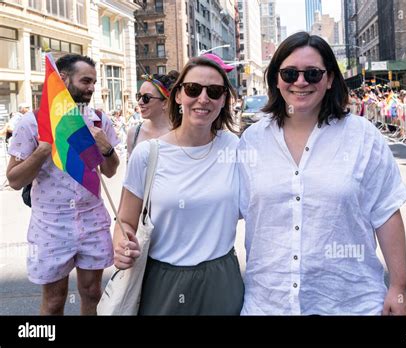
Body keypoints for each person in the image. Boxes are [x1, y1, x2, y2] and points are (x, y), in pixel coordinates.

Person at [238, 32, 406, 315]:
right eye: (290, 73)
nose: (301, 82)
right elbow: (221, 206)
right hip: (268, 304)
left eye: (313, 74)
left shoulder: (362, 136)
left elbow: (386, 211)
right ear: (277, 79)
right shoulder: (252, 140)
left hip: (351, 303)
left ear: (330, 79)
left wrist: (399, 287)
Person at [113, 56, 244, 315]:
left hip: (222, 279)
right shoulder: (148, 154)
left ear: (224, 100)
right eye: (193, 89)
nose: (203, 98)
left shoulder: (236, 148)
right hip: (162, 280)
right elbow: (124, 221)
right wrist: (121, 244)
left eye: (215, 91)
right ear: (178, 96)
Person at [6, 54, 120, 315]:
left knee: (93, 293)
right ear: (64, 80)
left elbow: (111, 172)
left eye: (94, 81)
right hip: (50, 227)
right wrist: (42, 150)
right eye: (85, 81)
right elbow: (13, 180)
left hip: (92, 222)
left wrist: (106, 148)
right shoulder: (32, 123)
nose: (92, 87)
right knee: (55, 301)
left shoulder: (100, 120)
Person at [126, 72, 177, 158]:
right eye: (139, 96)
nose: (139, 102)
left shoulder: (180, 134)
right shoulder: (134, 133)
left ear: (165, 103)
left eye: (147, 98)